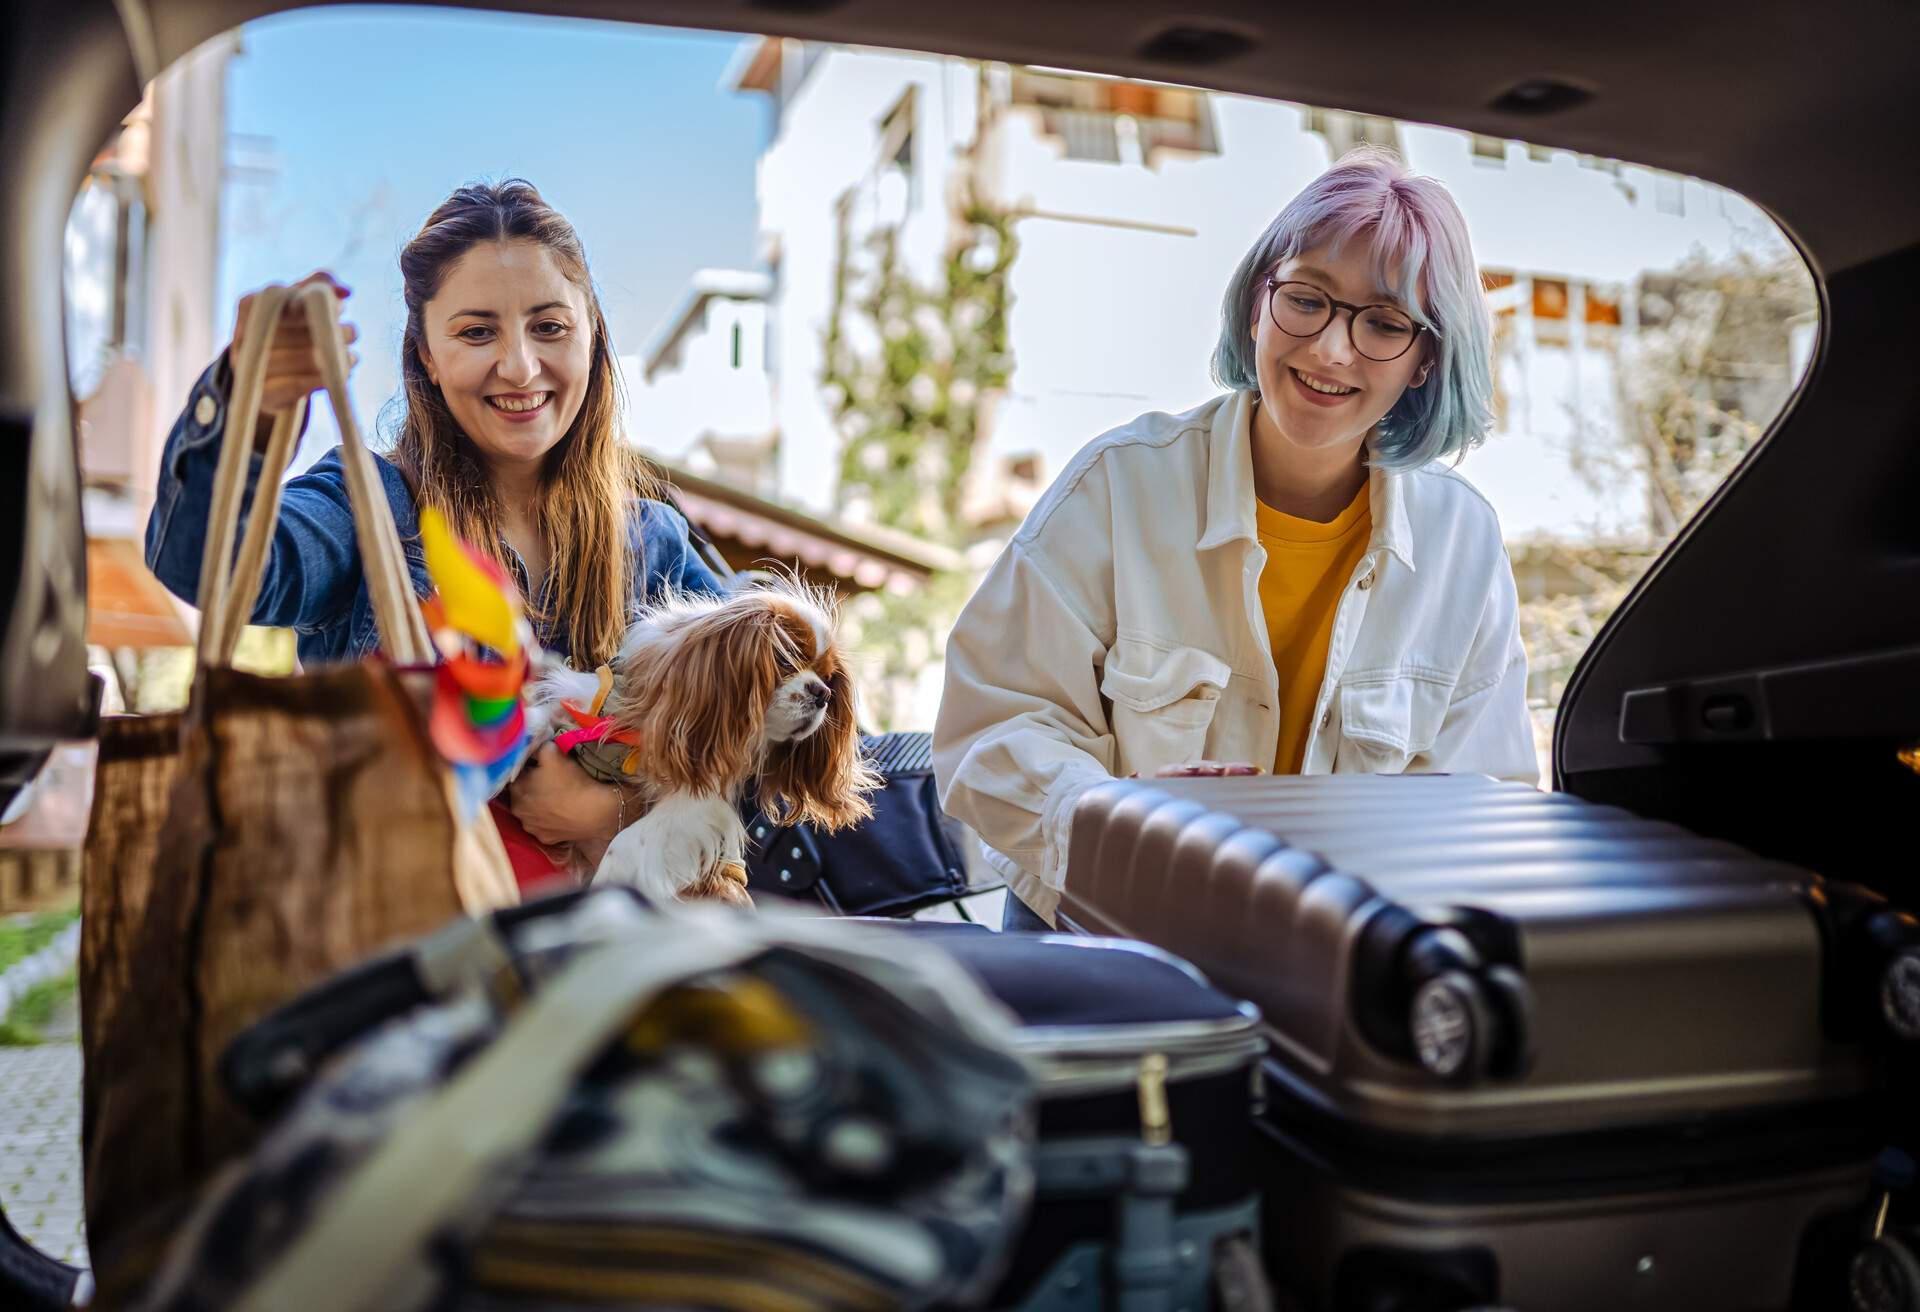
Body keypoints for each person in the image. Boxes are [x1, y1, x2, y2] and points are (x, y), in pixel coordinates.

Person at [933, 149, 1538, 930]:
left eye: (1384, 323)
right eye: (1307, 299)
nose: (1329, 349)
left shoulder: (1463, 542)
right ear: (1258, 305)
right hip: (1106, 928)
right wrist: (1122, 825)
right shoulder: (1118, 487)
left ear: (1426, 360)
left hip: (1336, 945)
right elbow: (996, 725)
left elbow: (1484, 804)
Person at [146, 179, 725, 867]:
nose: (518, 365)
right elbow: (205, 562)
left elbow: (778, 721)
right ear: (426, 354)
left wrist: (616, 809)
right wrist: (247, 399)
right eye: (477, 331)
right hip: (402, 946)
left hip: (610, 962)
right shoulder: (371, 510)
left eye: (549, 326)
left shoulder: (654, 542)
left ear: (592, 334)